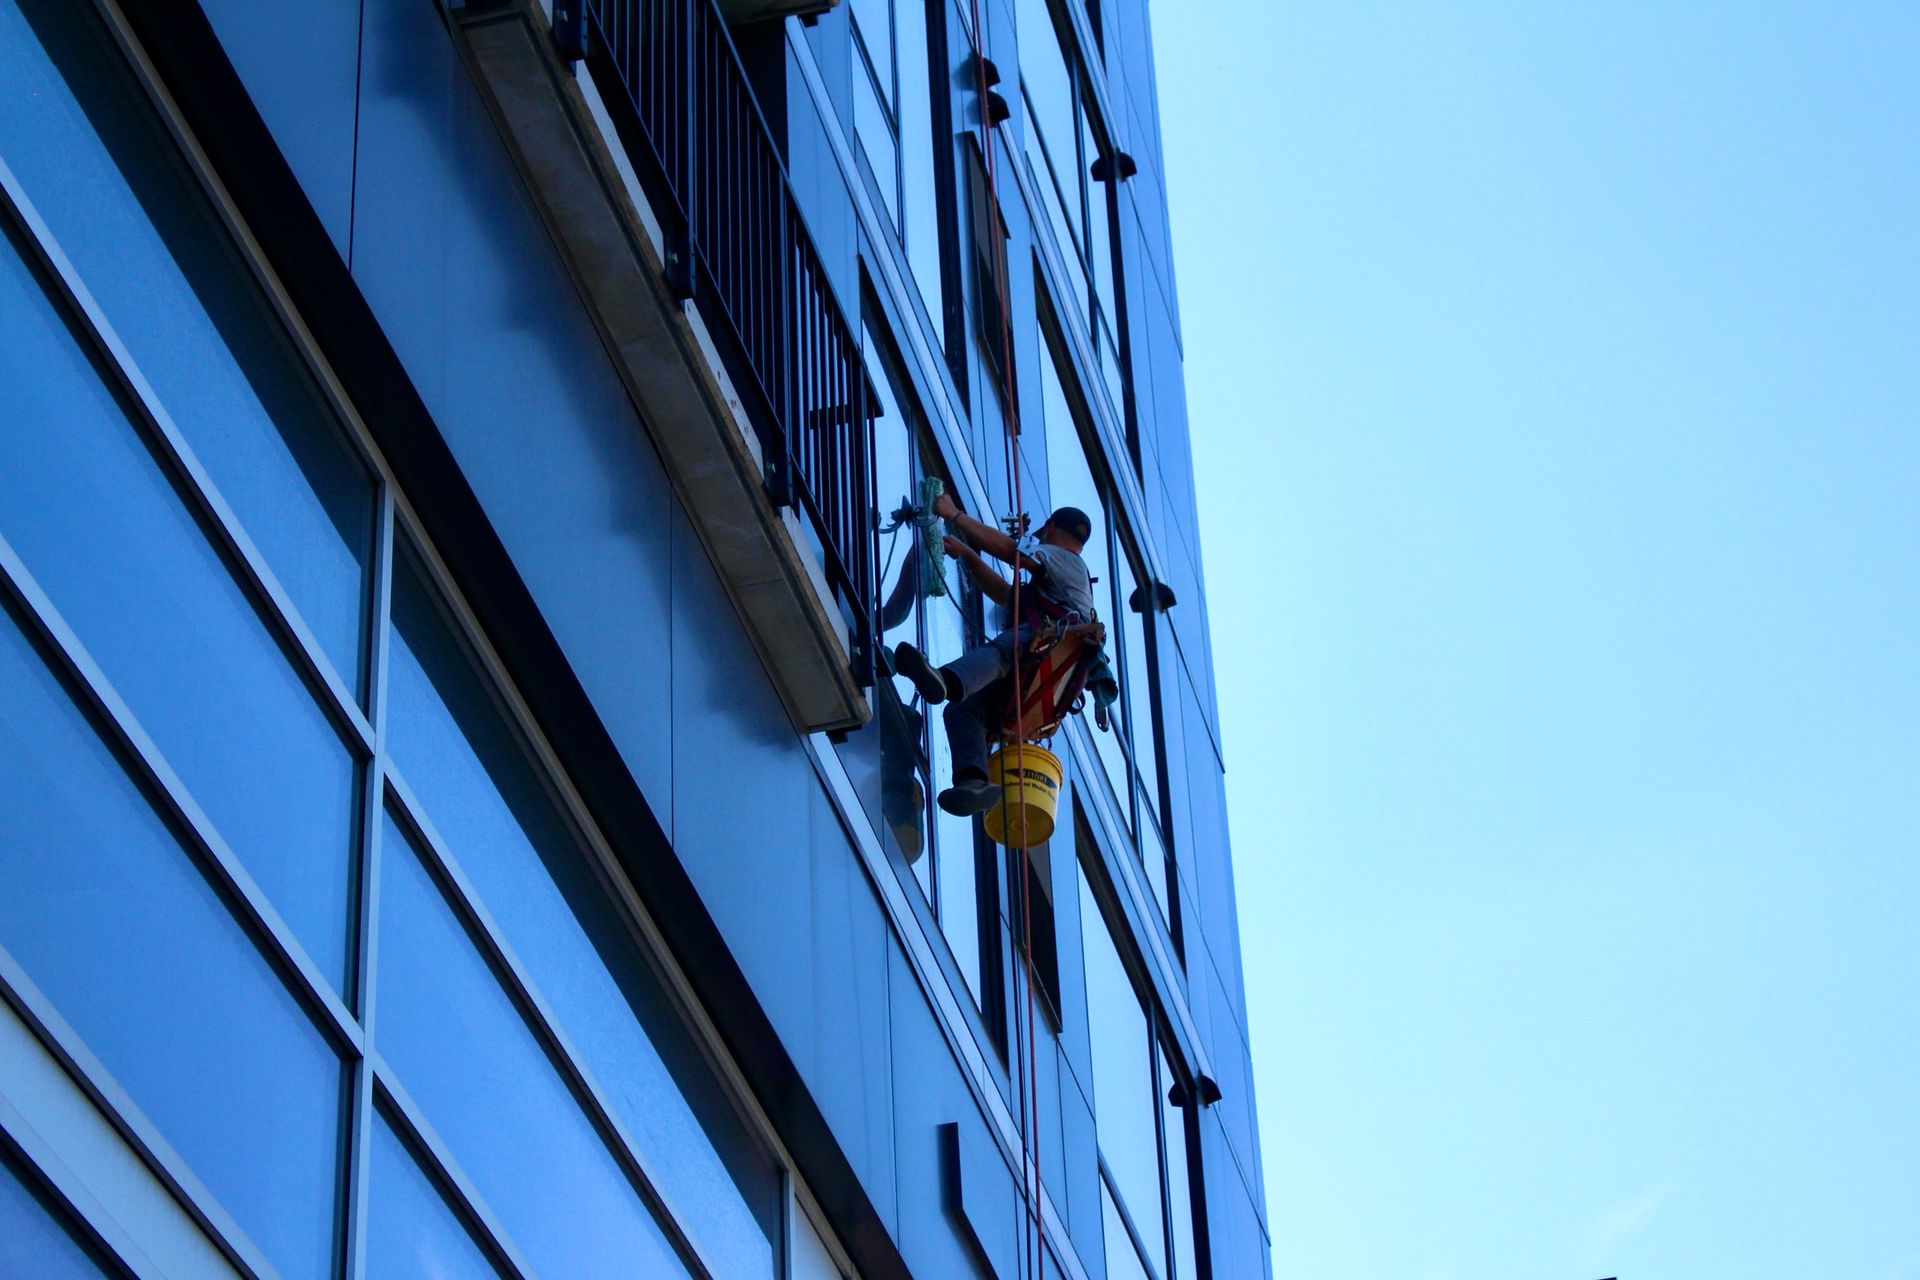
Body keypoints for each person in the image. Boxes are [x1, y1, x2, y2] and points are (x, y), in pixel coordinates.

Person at [893, 491, 1106, 815]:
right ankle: (973, 783)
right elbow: (1006, 594)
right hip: (1040, 675)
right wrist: (968, 554)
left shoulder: (1064, 559)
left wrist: (954, 515)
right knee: (962, 710)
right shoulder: (1057, 582)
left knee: (1009, 646)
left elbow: (1011, 551)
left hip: (1050, 647)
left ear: (1049, 529)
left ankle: (944, 680)